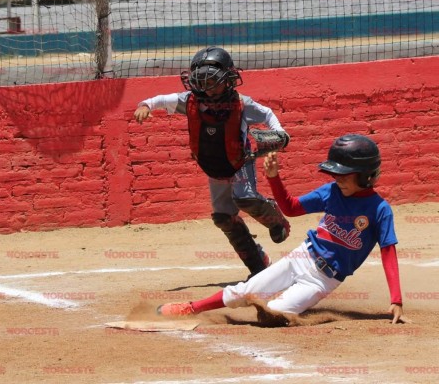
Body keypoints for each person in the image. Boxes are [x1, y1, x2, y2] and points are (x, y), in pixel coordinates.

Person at [157, 134, 407, 324]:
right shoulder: (331, 192)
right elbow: (291, 207)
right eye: (334, 174)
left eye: (344, 174)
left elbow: (388, 252)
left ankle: (274, 302)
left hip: (324, 280)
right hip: (302, 257)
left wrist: (396, 299)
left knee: (277, 314)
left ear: (365, 176)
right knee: (241, 292)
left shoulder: (379, 209)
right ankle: (192, 307)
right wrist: (274, 177)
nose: (337, 179)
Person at [133, 46, 290, 278]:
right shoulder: (190, 101)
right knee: (223, 218)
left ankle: (277, 222)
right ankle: (259, 268)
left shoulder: (241, 104)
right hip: (213, 167)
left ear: (228, 80)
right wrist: (145, 105)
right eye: (201, 82)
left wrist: (280, 132)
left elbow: (267, 113)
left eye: (213, 81)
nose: (207, 88)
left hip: (240, 161)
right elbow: (159, 99)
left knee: (245, 198)